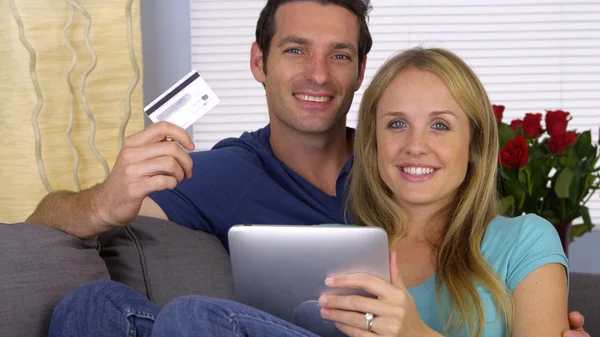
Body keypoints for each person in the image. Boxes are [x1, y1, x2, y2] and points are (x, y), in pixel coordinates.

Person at [28, 0, 589, 336]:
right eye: (396, 125)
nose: (415, 145)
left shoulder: (523, 240)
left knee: (194, 318)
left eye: (441, 125)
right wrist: (107, 198)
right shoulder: (329, 238)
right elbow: (49, 220)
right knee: (90, 304)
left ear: (475, 146)